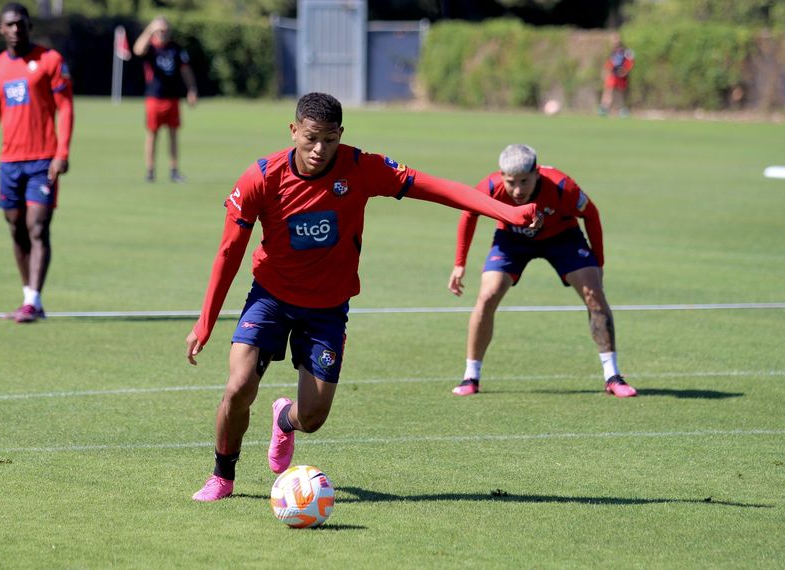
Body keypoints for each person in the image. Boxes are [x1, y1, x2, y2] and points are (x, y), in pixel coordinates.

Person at [186, 93, 543, 502]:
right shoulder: (261, 178)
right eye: (311, 138)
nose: (320, 149)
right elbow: (229, 251)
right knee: (239, 387)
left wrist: (507, 212)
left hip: (327, 308)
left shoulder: (361, 167)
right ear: (293, 131)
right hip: (271, 297)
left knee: (314, 417)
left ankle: (283, 419)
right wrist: (206, 320)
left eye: (330, 139)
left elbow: (436, 187)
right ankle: (222, 476)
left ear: (342, 134)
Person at [447, 144, 636, 399]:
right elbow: (469, 214)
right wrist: (460, 263)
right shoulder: (491, 187)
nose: (517, 190)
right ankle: (471, 376)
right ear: (501, 175)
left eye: (524, 181)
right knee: (488, 295)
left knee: (593, 292)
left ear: (537, 173)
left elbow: (591, 215)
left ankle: (613, 376)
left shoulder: (562, 187)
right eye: (511, 182)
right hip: (511, 239)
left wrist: (598, 264)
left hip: (562, 237)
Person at [0, 2, 74, 324]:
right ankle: (28, 297)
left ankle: (34, 301)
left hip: (42, 161)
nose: (16, 29)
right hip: (9, 162)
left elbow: (66, 107)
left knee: (37, 226)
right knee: (16, 228)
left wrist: (62, 152)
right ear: (1, 29)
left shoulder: (50, 61)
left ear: (29, 26)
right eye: (10, 24)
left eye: (21, 23)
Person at [133, 16, 197, 183]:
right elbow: (137, 50)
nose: (163, 33)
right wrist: (149, 29)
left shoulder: (176, 49)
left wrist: (191, 89)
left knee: (173, 134)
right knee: (152, 135)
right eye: (159, 30)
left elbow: (186, 70)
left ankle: (174, 170)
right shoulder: (150, 48)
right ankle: (150, 170)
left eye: (165, 30)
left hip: (172, 98)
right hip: (154, 97)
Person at [598, 33, 634, 117]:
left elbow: (630, 62)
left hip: (621, 75)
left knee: (620, 92)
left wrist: (625, 71)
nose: (614, 42)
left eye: (615, 40)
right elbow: (609, 63)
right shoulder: (612, 52)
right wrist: (605, 71)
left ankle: (623, 109)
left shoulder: (626, 51)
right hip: (612, 74)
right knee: (608, 90)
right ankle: (604, 108)